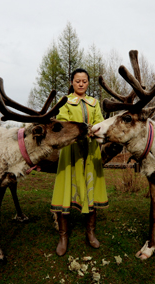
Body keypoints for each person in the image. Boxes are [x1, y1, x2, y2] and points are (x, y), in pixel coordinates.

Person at [50, 68, 108, 256]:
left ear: (88, 83)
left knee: (91, 189)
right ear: (72, 83)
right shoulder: (65, 102)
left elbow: (100, 122)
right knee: (66, 189)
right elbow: (62, 123)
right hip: (71, 151)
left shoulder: (94, 103)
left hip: (91, 151)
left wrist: (95, 129)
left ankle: (90, 232)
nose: (81, 84)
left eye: (84, 81)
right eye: (77, 81)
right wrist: (83, 130)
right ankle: (63, 236)